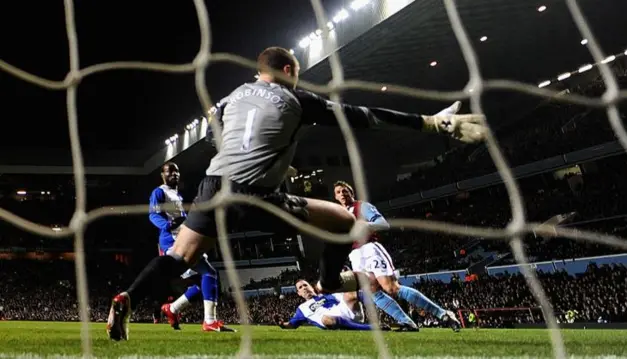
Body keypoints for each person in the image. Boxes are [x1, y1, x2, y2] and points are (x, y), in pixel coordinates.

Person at [106, 46, 486, 341]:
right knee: (344, 220)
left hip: (213, 184)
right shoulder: (298, 99)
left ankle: (127, 298)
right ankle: (331, 283)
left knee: (178, 256)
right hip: (254, 194)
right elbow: (364, 116)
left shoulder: (233, 96)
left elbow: (213, 136)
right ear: (288, 71)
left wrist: (267, 159)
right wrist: (432, 123)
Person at [334, 181, 461, 332]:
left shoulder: (362, 206)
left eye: (344, 191)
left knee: (391, 288)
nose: (342, 194)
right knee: (372, 291)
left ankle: (444, 314)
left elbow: (383, 224)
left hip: (370, 249)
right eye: (338, 192)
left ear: (351, 192)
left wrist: (367, 225)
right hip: (355, 255)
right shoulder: (339, 215)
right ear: (335, 197)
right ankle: (407, 322)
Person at [148, 162, 234, 332]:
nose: (175, 174)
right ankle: (208, 321)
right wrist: (167, 225)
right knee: (208, 274)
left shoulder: (177, 196)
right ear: (163, 175)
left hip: (183, 239)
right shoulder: (159, 192)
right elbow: (153, 214)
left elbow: (182, 219)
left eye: (177, 171)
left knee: (203, 281)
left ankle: (172, 309)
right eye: (170, 171)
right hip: (173, 242)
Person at [276, 279, 390, 331]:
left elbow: (350, 297)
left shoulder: (328, 296)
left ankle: (386, 307)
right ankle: (372, 327)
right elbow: (292, 325)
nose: (304, 288)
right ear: (299, 293)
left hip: (346, 312)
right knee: (326, 319)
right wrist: (282, 324)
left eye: (305, 285)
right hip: (328, 320)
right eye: (300, 288)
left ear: (311, 286)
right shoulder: (302, 308)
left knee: (351, 293)